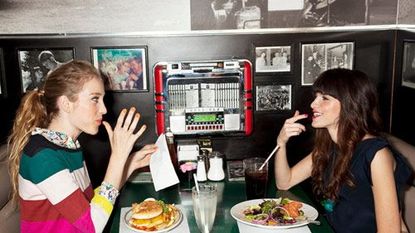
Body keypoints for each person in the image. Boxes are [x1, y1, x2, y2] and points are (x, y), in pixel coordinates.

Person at [7, 60, 158, 232]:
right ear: (66, 104)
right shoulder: (42, 156)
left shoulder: (68, 146)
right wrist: (118, 157)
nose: (104, 109)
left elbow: (92, 204)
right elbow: (92, 225)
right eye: (95, 99)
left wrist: (129, 164)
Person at [274, 69, 412, 232]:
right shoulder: (330, 146)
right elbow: (285, 182)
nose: (313, 104)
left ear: (349, 105)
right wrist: (281, 143)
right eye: (316, 96)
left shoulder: (376, 155)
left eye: (324, 98)